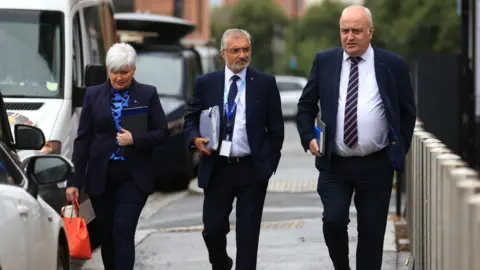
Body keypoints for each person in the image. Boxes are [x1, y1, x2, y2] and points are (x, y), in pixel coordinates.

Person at [296, 5, 416, 270]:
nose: (349, 37)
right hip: (335, 164)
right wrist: (308, 138)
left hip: (376, 165)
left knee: (372, 234)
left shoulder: (392, 65)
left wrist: (399, 149)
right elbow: (305, 108)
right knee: (333, 221)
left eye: (356, 31)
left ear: (371, 32)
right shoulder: (325, 61)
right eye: (344, 30)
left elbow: (407, 112)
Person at [184, 28, 284, 270]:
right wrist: (195, 139)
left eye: (246, 49)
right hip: (217, 167)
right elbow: (191, 119)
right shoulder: (206, 83)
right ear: (223, 53)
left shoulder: (265, 83)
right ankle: (221, 263)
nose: (241, 55)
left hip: (251, 169)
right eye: (235, 50)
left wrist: (268, 166)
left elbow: (276, 130)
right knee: (212, 230)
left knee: (248, 236)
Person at [65, 43, 169, 270]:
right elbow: (83, 140)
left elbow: (162, 132)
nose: (119, 77)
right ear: (107, 70)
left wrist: (136, 139)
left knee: (123, 231)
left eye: (124, 72)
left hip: (133, 176)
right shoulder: (93, 95)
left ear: (133, 70)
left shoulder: (147, 94)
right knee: (108, 235)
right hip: (101, 177)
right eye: (114, 72)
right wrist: (74, 181)